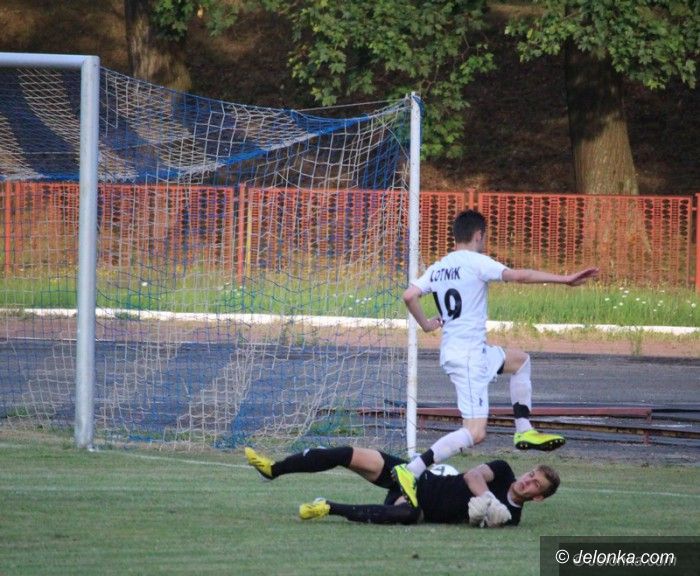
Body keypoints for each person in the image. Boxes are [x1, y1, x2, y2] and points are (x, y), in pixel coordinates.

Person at [392, 209, 597, 506]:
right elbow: (519, 276)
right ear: (479, 235)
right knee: (475, 432)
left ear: (455, 236)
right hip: (468, 357)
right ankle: (411, 469)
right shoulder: (477, 262)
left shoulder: (439, 267)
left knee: (520, 361)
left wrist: (426, 325)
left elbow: (410, 295)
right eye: (484, 237)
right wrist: (565, 279)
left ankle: (523, 430)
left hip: (471, 352)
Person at [244, 445, 560, 527]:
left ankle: (327, 507)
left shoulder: (513, 518)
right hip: (413, 476)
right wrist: (491, 501)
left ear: (539, 498)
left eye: (536, 484)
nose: (527, 480)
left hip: (417, 507)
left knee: (404, 515)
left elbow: (476, 521)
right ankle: (273, 470)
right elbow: (473, 476)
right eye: (531, 474)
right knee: (346, 454)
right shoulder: (503, 471)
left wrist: (484, 517)